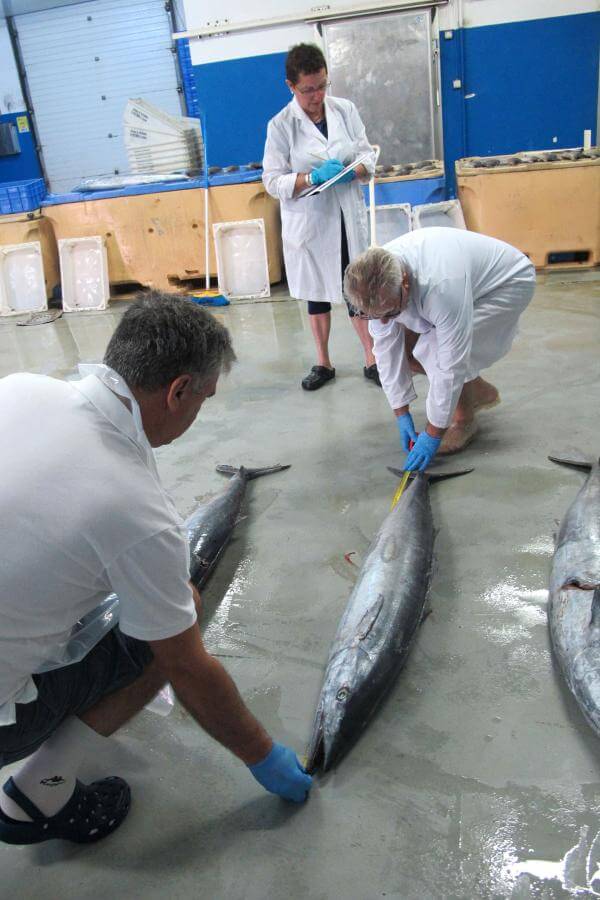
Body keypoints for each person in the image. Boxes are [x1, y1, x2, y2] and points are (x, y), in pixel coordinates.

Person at [0, 293, 312, 847]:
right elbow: (186, 667)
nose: (198, 412)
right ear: (178, 391)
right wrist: (263, 756)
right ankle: (38, 794)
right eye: (204, 399)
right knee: (169, 623)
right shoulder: (135, 509)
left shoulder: (19, 389)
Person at [343, 228, 536, 468]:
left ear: (405, 283)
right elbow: (385, 349)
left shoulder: (442, 287)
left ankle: (464, 421)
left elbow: (450, 363)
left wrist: (433, 434)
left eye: (390, 313)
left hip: (507, 283)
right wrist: (400, 412)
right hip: (461, 280)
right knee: (408, 351)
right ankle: (478, 392)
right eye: (373, 316)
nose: (382, 322)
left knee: (434, 352)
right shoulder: (375, 279)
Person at [263, 42, 380, 391]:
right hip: (311, 221)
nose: (317, 96)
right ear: (291, 86)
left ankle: (372, 359)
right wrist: (311, 178)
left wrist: (353, 171)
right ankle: (323, 363)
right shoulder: (281, 125)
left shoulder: (344, 110)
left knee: (357, 289)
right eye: (308, 90)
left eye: (322, 85)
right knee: (316, 292)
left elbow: (367, 156)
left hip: (346, 216)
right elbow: (272, 181)